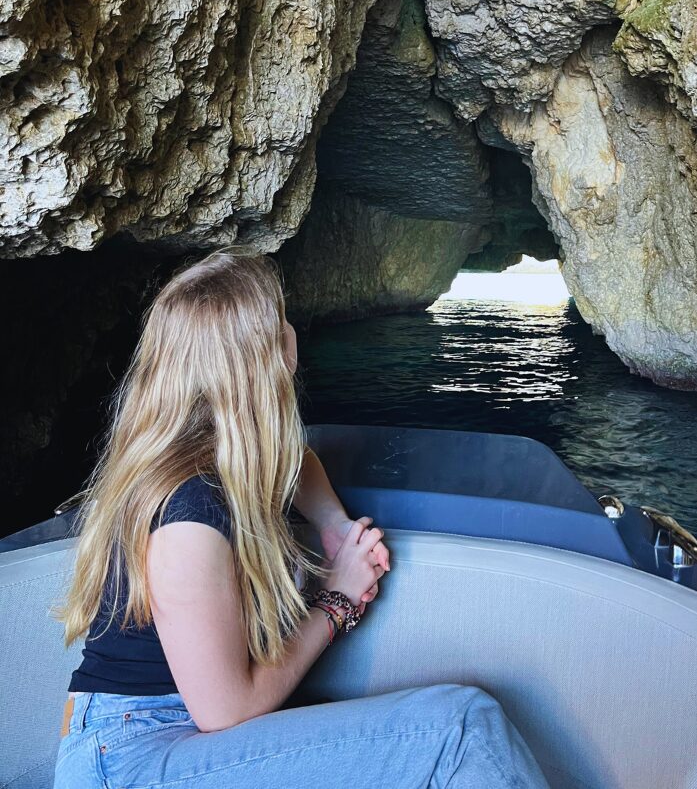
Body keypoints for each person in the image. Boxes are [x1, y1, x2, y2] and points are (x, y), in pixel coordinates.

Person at [53, 248, 550, 789]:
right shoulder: (189, 517)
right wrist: (336, 600)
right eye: (283, 318)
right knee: (463, 729)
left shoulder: (211, 457)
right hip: (134, 757)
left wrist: (334, 525)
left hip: (153, 736)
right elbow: (225, 711)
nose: (293, 329)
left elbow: (294, 461)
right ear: (276, 353)